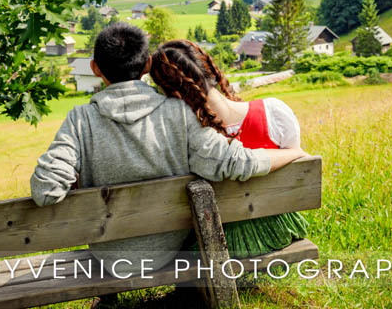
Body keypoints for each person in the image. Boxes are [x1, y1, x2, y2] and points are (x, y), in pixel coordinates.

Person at [29, 22, 307, 281]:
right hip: (170, 249)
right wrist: (294, 153)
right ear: (147, 64)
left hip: (108, 255)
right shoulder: (178, 114)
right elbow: (235, 163)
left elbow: (46, 191)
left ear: (95, 68)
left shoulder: (80, 120)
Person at [148, 39, 309, 258]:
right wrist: (296, 153)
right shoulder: (275, 112)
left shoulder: (188, 136)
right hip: (277, 231)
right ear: (211, 71)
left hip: (210, 240)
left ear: (170, 93)